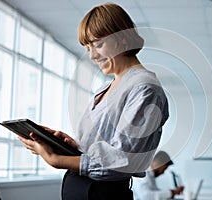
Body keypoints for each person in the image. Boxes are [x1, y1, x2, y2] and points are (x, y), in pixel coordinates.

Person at [18, 2, 169, 200]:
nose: (92, 55)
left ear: (123, 39)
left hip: (102, 193)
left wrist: (56, 159)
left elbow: (122, 162)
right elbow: (105, 148)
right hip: (83, 188)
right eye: (87, 47)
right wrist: (72, 145)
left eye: (98, 44)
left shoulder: (144, 88)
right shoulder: (106, 87)